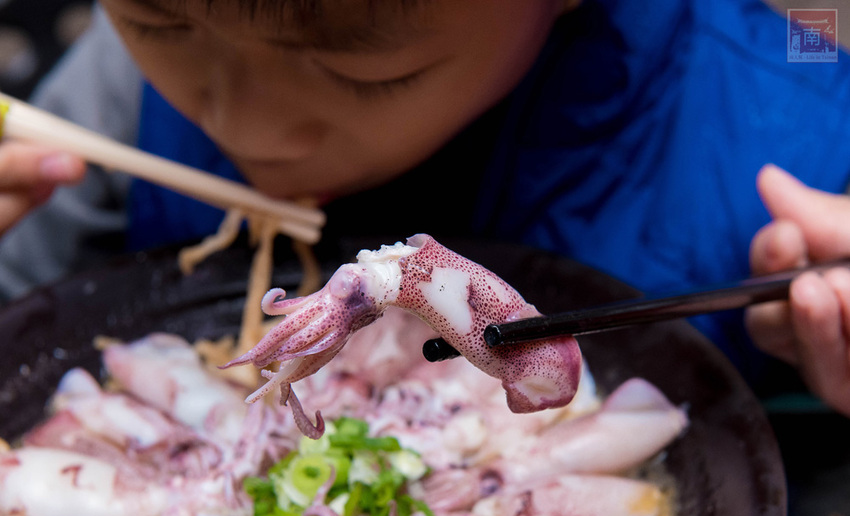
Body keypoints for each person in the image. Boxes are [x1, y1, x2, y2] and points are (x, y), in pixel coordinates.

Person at [1, 0, 850, 414]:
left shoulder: (799, 115)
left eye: (361, 74)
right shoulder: (107, 104)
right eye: (159, 25)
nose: (246, 127)